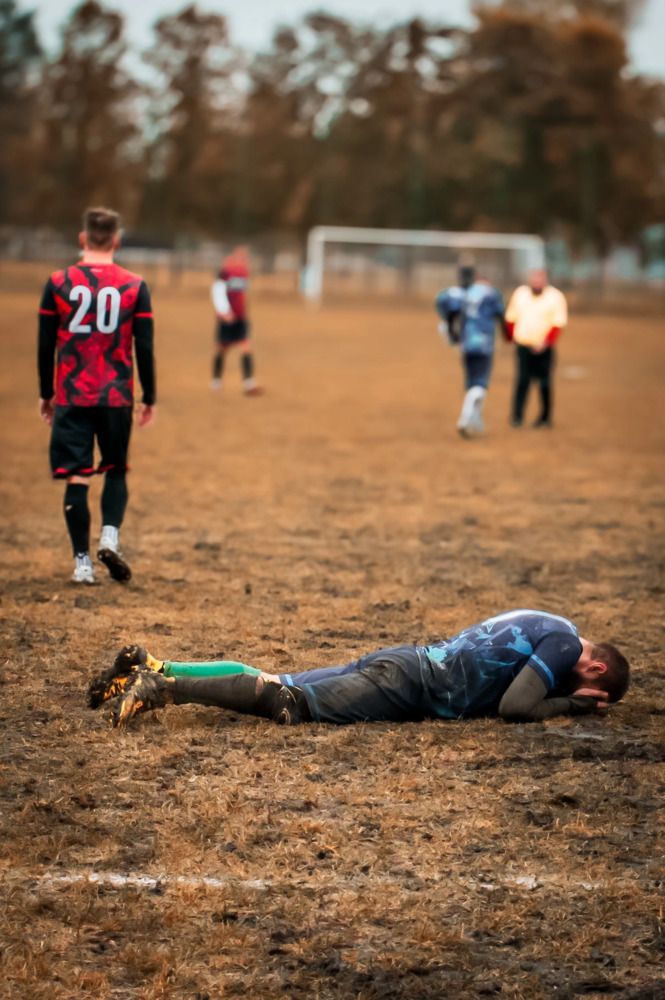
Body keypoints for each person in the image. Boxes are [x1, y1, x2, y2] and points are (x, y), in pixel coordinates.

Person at [87, 609, 629, 728]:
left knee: (278, 680)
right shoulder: (565, 644)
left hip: (407, 661)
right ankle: (160, 688)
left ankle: (154, 665)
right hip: (411, 682)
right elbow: (516, 708)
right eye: (586, 682)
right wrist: (572, 704)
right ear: (596, 665)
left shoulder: (550, 621)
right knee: (287, 703)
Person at [38, 206, 156, 585]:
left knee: (77, 477)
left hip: (72, 394)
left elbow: (45, 345)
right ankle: (109, 537)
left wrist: (46, 393)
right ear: (117, 241)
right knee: (115, 468)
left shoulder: (58, 283)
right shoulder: (134, 286)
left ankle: (82, 565)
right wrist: (150, 395)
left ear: (83, 238)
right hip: (116, 396)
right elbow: (144, 346)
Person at [435, 265, 507, 437]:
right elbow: (500, 313)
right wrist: (507, 334)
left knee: (471, 380)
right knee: (480, 383)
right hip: (484, 342)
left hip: (466, 342)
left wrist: (452, 333)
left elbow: (445, 309)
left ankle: (476, 420)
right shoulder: (489, 293)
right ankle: (466, 417)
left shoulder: (453, 293)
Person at [505, 268, 568, 428]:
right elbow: (511, 318)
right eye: (534, 279)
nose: (536, 283)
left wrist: (545, 343)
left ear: (545, 281)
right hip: (523, 345)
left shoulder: (555, 297)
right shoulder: (520, 294)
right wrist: (511, 338)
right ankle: (517, 417)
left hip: (544, 348)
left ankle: (545, 418)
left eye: (540, 280)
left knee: (544, 383)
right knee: (522, 381)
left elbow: (558, 323)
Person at [210, 246, 263, 396]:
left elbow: (242, 295)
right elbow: (217, 290)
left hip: (241, 318)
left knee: (246, 347)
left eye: (246, 257)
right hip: (227, 318)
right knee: (221, 349)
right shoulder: (226, 270)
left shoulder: (245, 273)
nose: (244, 260)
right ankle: (216, 380)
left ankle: (249, 383)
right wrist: (224, 311)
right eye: (241, 256)